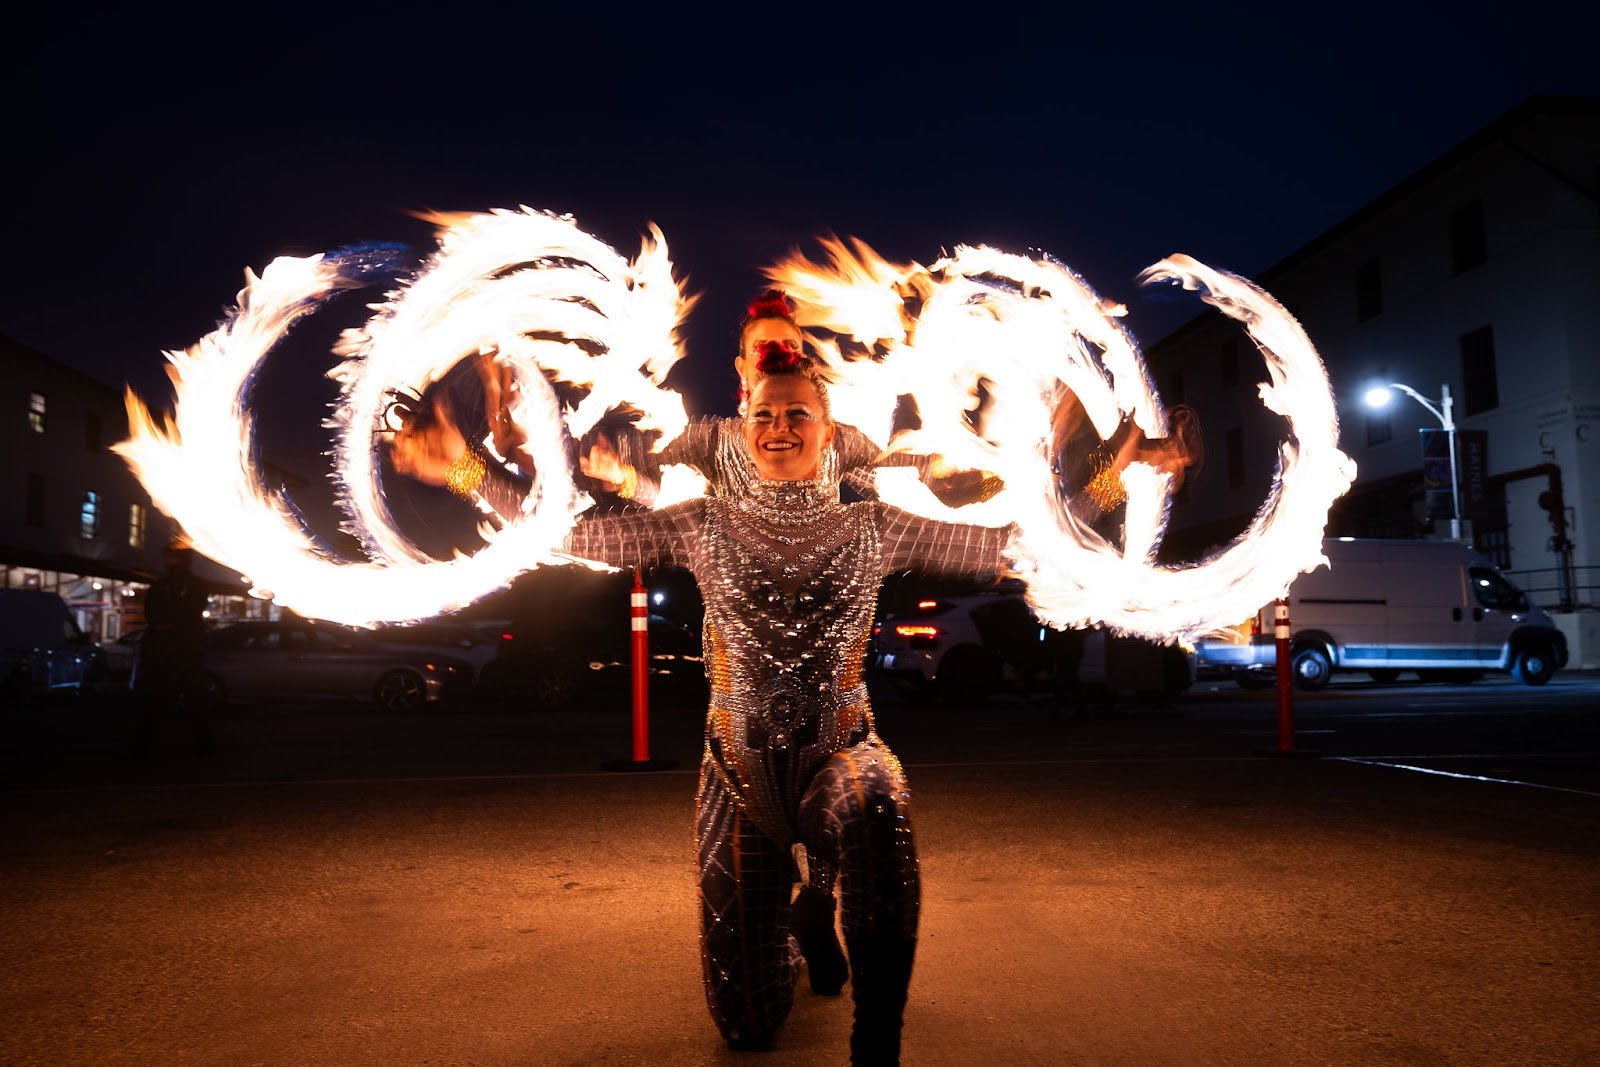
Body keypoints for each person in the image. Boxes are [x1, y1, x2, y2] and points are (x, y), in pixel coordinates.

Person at [389, 343, 1013, 1064]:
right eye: (765, 415)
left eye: (798, 414)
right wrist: (465, 468)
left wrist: (1120, 476)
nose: (779, 427)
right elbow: (569, 534)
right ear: (745, 429)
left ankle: (877, 1039)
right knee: (746, 1024)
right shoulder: (703, 523)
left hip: (839, 753)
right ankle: (804, 927)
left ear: (830, 432)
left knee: (879, 807)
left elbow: (1011, 547)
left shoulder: (874, 527)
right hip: (737, 774)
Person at [131, 538, 214, 757]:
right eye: (166, 555)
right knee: (155, 697)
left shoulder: (196, 586)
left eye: (171, 555)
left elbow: (190, 612)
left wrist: (172, 623)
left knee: (194, 697)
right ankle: (142, 745)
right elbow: (153, 615)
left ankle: (204, 743)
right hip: (163, 649)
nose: (166, 560)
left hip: (186, 647)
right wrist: (171, 622)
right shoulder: (160, 585)